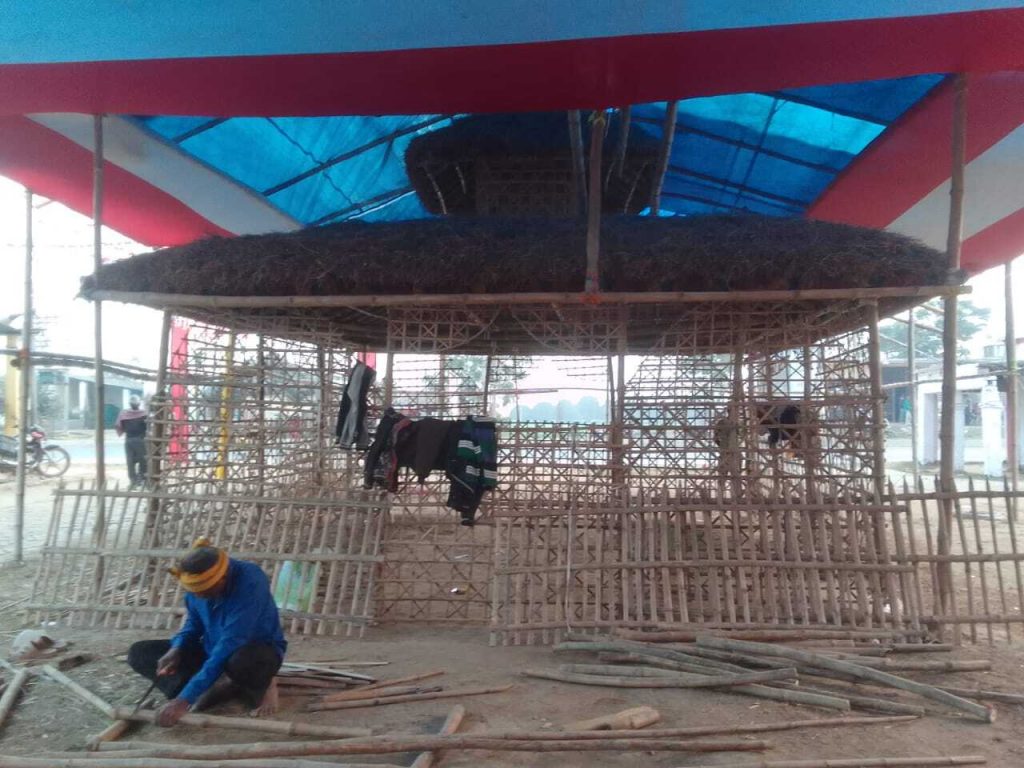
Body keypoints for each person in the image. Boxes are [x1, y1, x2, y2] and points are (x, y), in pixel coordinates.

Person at [126, 537, 287, 727]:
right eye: (194, 591)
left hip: (249, 652)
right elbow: (193, 624)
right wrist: (177, 648)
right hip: (212, 650)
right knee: (139, 653)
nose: (198, 595)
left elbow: (231, 642)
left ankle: (261, 683)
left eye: (204, 591)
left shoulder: (251, 581)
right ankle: (216, 685)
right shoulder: (197, 583)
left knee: (244, 661)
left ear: (223, 578)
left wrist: (184, 700)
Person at [114, 395, 147, 489]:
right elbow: (149, 426)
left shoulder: (124, 414)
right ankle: (141, 479)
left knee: (130, 461)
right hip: (140, 440)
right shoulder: (144, 414)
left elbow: (118, 425)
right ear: (139, 404)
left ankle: (133, 481)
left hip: (129, 440)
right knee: (143, 460)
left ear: (129, 404)